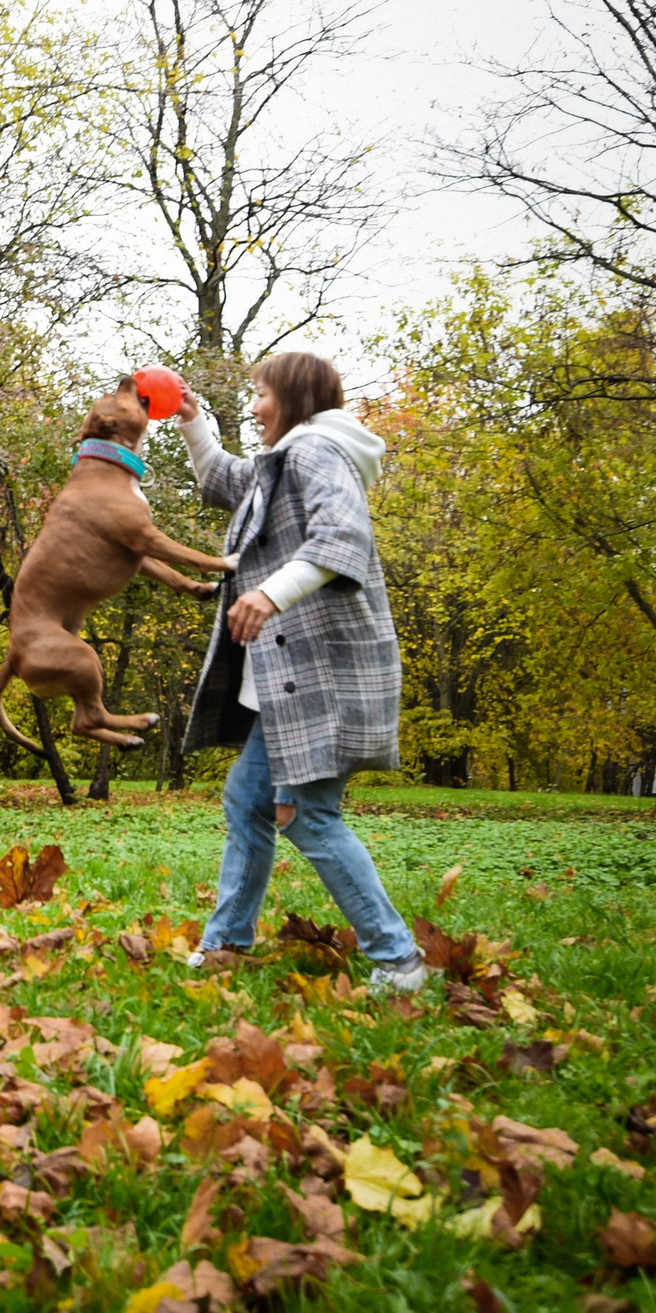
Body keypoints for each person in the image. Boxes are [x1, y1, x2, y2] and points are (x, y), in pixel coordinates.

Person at [170, 352, 428, 994]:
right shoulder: (281, 462)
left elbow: (343, 538)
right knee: (249, 800)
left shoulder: (318, 453)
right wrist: (193, 422)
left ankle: (398, 960)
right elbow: (227, 480)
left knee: (306, 814)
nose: (253, 407)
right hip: (290, 684)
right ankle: (227, 942)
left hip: (327, 676)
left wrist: (270, 594)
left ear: (293, 396)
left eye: (259, 394)